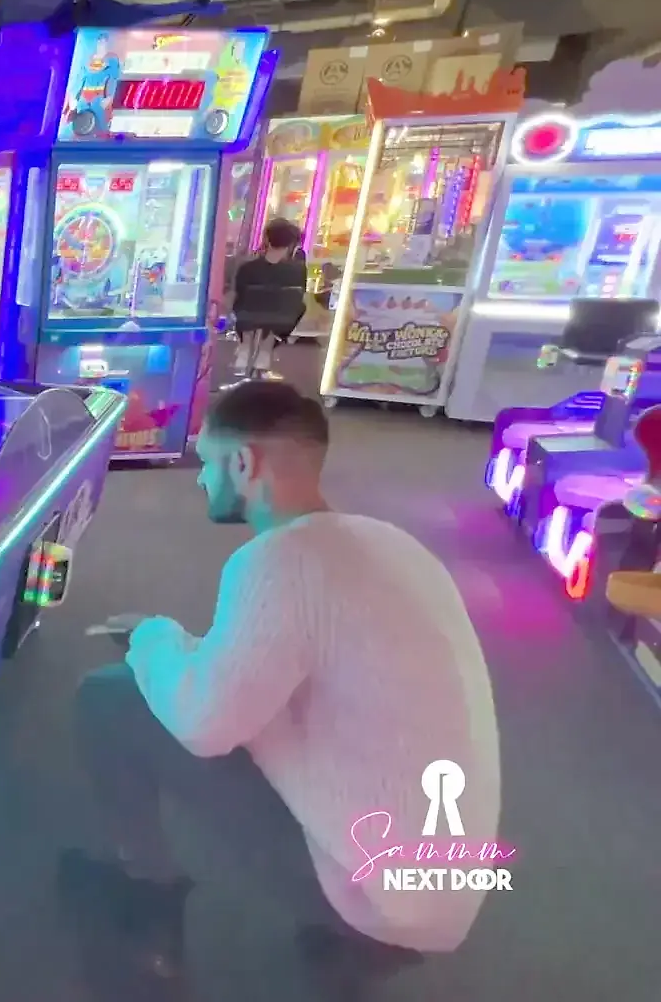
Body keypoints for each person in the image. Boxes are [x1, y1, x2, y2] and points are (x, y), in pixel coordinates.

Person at [63, 381, 500, 977]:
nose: (199, 479)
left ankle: (146, 897)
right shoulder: (394, 545)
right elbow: (275, 671)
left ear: (244, 463)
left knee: (110, 697)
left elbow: (203, 725)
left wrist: (152, 637)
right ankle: (355, 946)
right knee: (197, 692)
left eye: (207, 461)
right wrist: (182, 647)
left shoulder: (279, 560)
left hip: (374, 895)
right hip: (444, 887)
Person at [230, 218, 309, 379]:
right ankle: (266, 351)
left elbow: (238, 293)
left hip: (247, 317)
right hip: (281, 320)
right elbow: (299, 295)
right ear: (291, 245)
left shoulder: (247, 268)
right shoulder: (298, 270)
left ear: (266, 239)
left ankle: (245, 346)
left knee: (245, 306)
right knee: (296, 307)